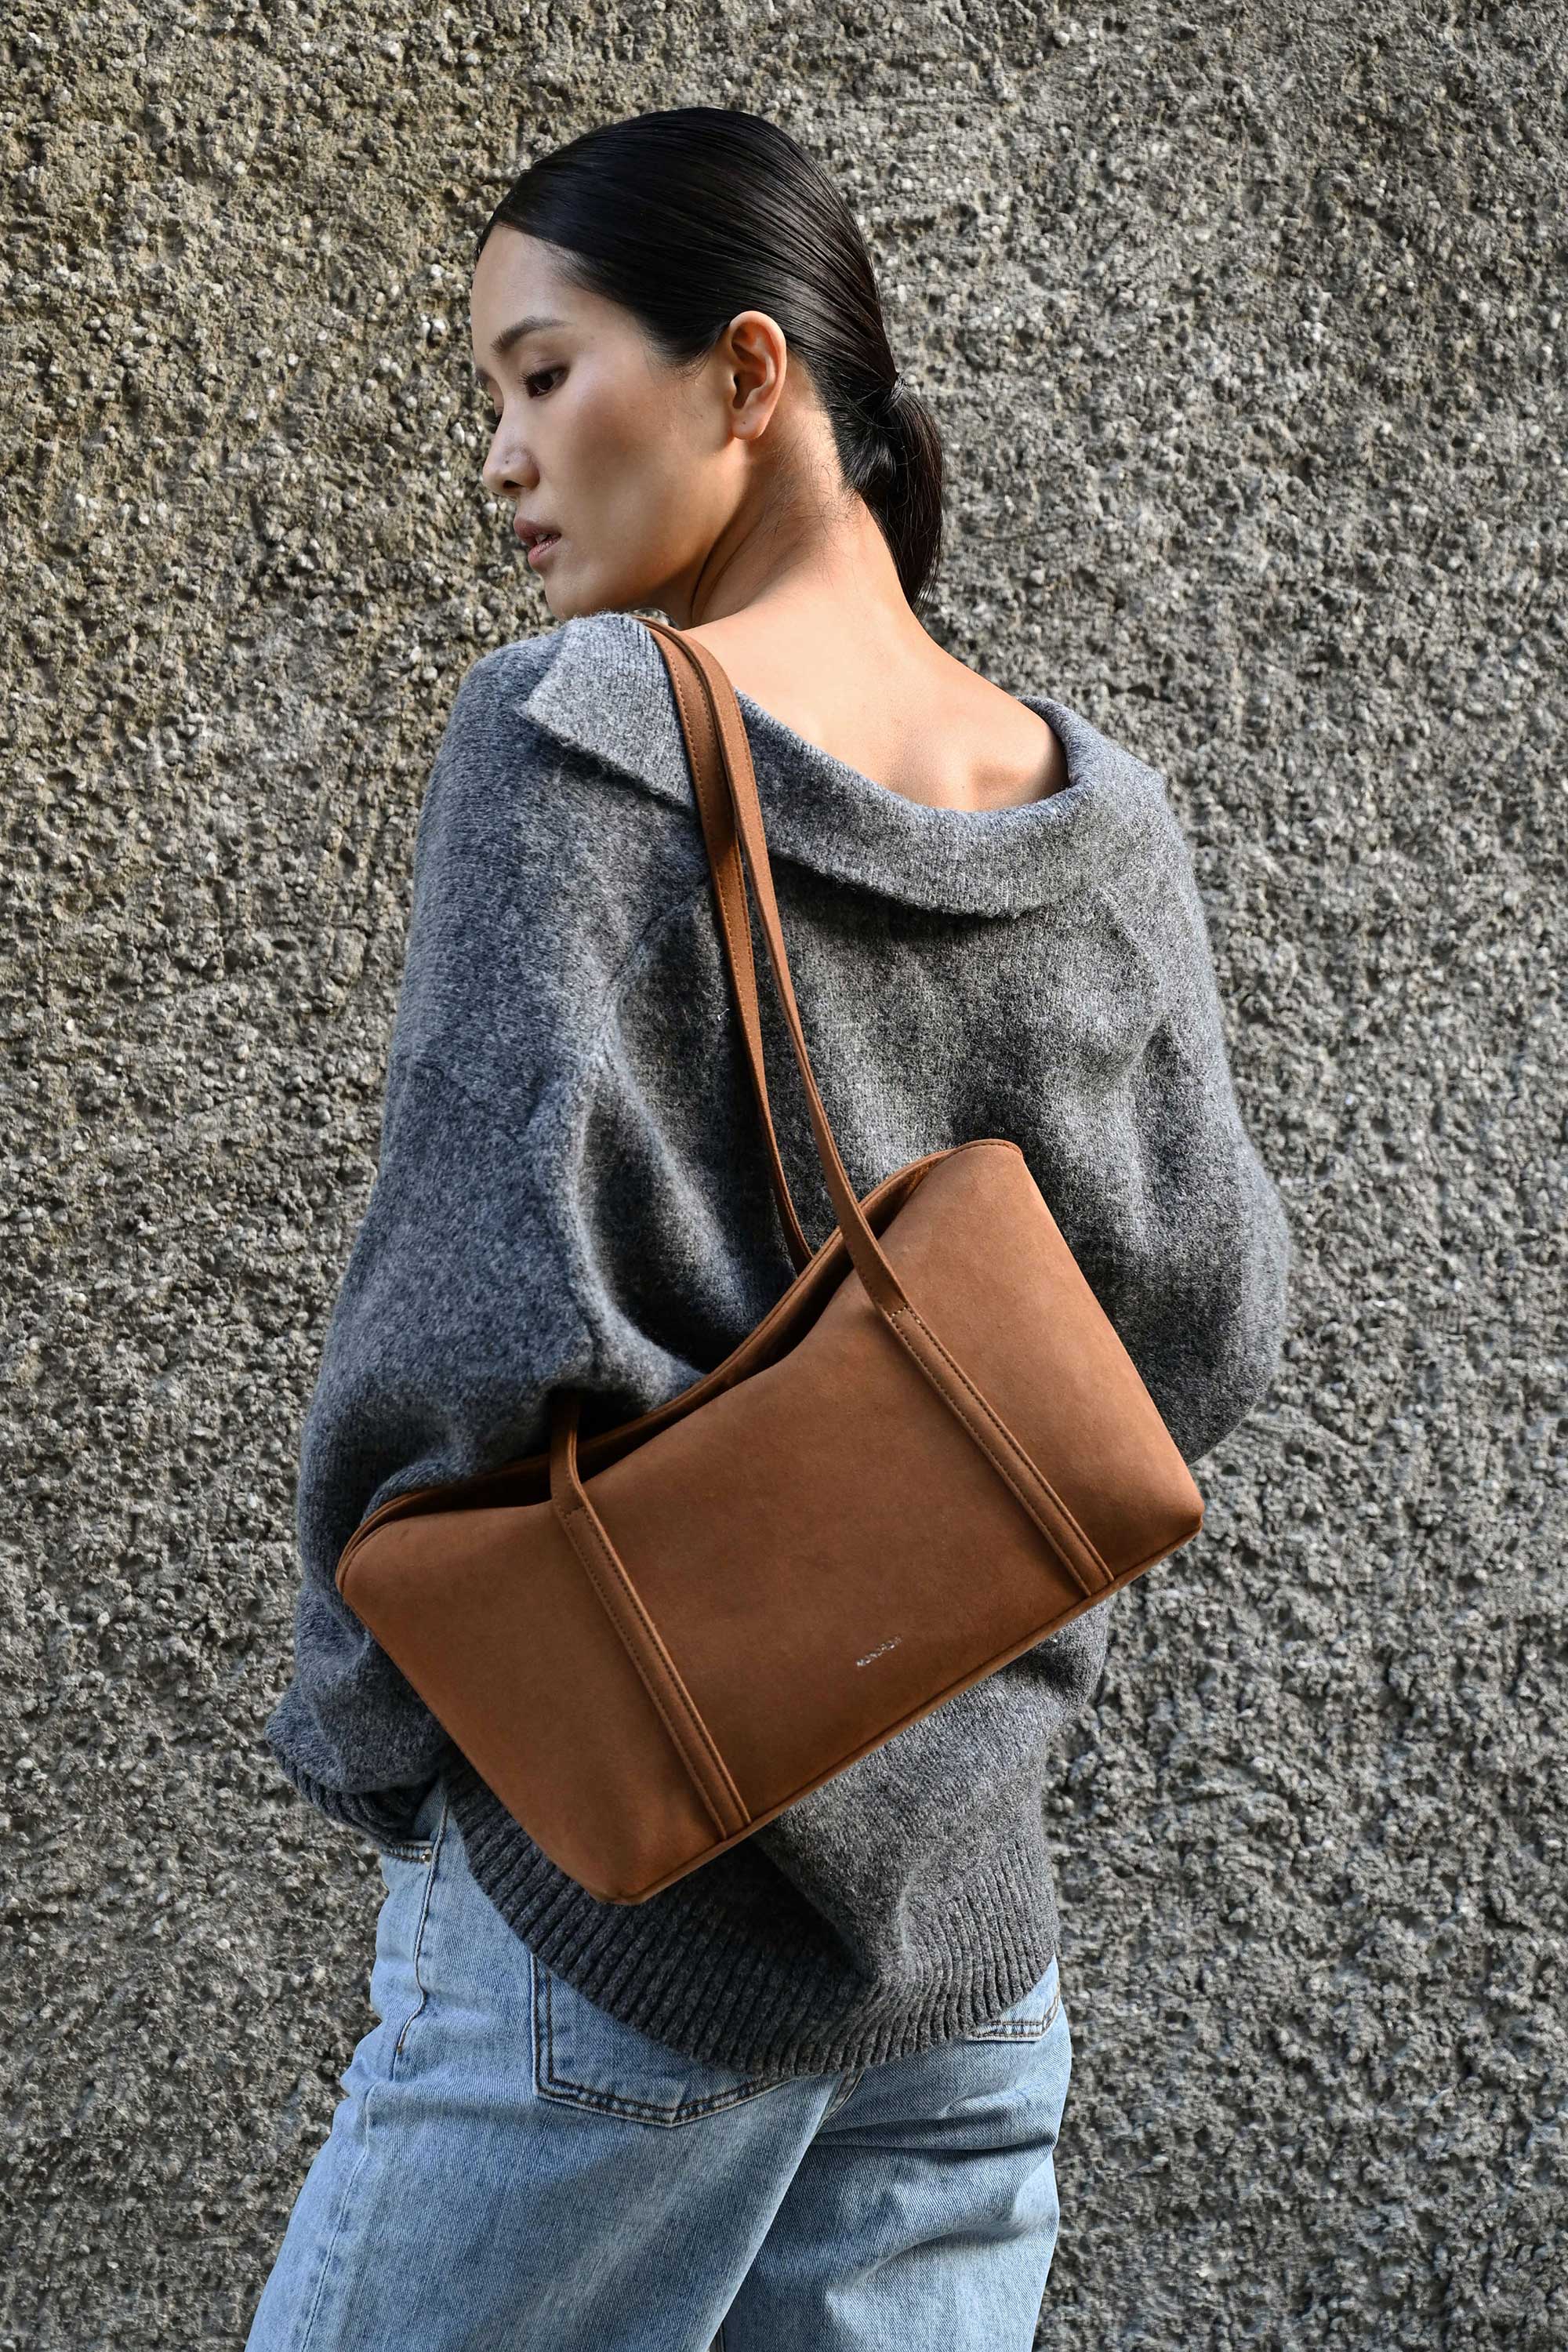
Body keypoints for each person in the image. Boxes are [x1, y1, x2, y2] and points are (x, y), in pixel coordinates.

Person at [245, 106, 1292, 2352]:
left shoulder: (581, 734)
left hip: (621, 1940)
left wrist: (382, 1736)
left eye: (543, 374)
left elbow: (467, 1338)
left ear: (746, 374)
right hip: (970, 1974)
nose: (503, 457)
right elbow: (1207, 1327)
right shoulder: (1100, 818)